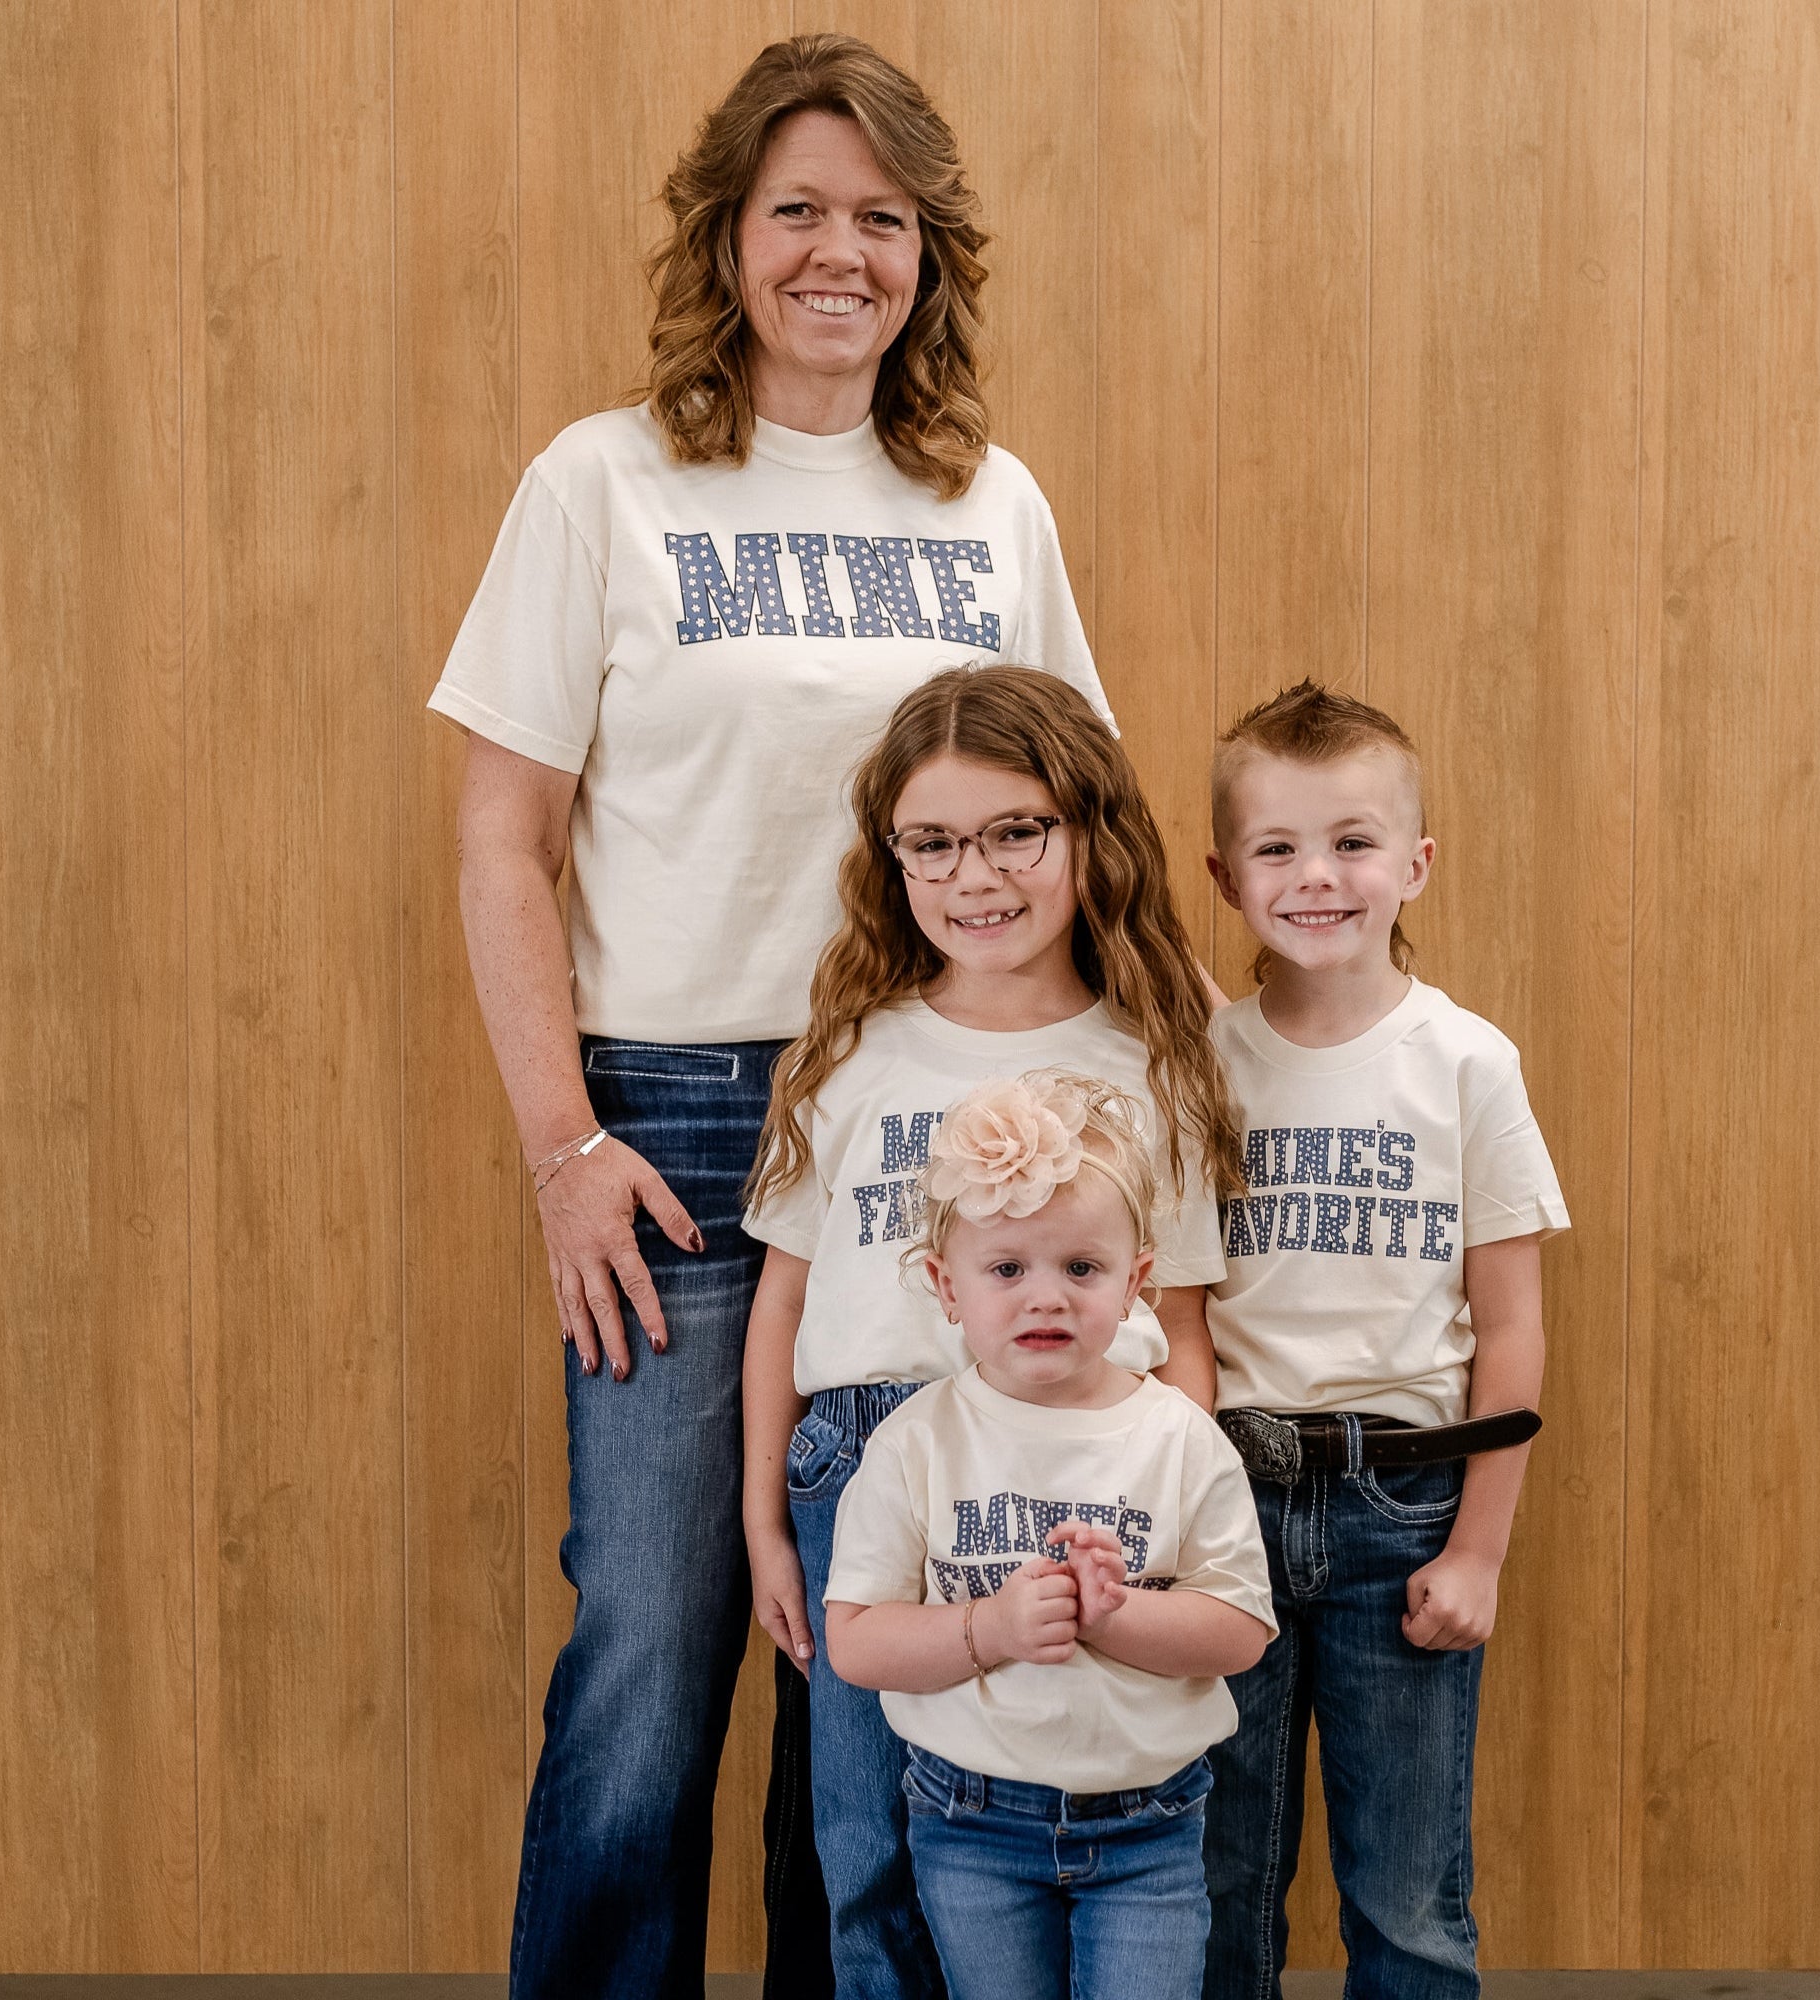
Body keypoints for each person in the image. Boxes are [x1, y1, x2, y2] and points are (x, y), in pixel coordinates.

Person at [428, 33, 1111, 1997]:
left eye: (881, 218)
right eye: (797, 208)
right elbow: (503, 840)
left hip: (933, 1119)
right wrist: (563, 1146)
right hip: (671, 1122)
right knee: (652, 1641)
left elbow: (1077, 821)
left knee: (874, 1642)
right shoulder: (605, 481)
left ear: (928, 253)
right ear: (728, 235)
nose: (838, 253)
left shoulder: (988, 505)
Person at [740, 665, 1241, 1996]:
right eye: (934, 842)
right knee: (870, 1851)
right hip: (862, 1458)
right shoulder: (852, 1048)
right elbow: (784, 1298)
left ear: (1089, 832)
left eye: (1016, 831)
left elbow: (1180, 1326)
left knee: (1052, 1821)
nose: (976, 875)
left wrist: (1160, 1492)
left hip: (1078, 1462)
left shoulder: (1154, 1057)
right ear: (892, 858)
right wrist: (762, 1524)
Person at [1195, 682, 1569, 2000]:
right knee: (1216, 1877)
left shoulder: (1466, 1062)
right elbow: (1175, 1309)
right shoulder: (1198, 1064)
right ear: (1225, 877)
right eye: (1277, 847)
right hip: (1227, 1500)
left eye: (1352, 842)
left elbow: (1510, 1327)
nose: (1316, 876)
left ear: (1415, 863)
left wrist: (1478, 1550)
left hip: (1404, 1508)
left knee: (1407, 1892)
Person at [822, 1071, 1276, 2000]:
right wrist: (990, 1629)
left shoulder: (1182, 1438)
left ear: (1136, 1283)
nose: (1046, 1299)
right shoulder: (914, 1444)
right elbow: (856, 1641)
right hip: (971, 1823)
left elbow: (1240, 1633)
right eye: (1007, 1270)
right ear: (946, 1286)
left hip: (1150, 1830)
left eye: (1080, 1268)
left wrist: (1113, 1617)